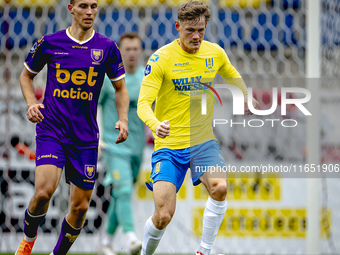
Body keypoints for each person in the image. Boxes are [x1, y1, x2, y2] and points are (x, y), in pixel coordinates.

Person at [137, 1, 258, 255]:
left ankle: (204, 250)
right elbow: (143, 104)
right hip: (169, 146)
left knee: (220, 187)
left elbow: (232, 74)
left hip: (202, 141)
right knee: (163, 215)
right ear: (177, 26)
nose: (196, 36)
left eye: (201, 30)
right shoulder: (161, 59)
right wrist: (155, 124)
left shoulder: (214, 53)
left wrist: (244, 96)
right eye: (190, 30)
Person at [15, 0, 129, 254]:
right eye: (83, 6)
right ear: (71, 9)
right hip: (52, 129)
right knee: (44, 192)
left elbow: (120, 88)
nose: (89, 12)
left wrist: (123, 118)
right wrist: (32, 102)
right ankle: (26, 244)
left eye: (94, 6)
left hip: (85, 136)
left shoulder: (107, 48)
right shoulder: (50, 42)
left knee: (79, 208)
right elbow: (26, 75)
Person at [98, 33, 144, 255]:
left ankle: (106, 241)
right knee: (123, 189)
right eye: (128, 49)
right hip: (113, 144)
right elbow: (95, 106)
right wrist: (97, 137)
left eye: (136, 49)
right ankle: (132, 237)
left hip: (137, 148)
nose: (132, 53)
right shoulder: (108, 78)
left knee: (121, 195)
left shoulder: (147, 79)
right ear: (119, 51)